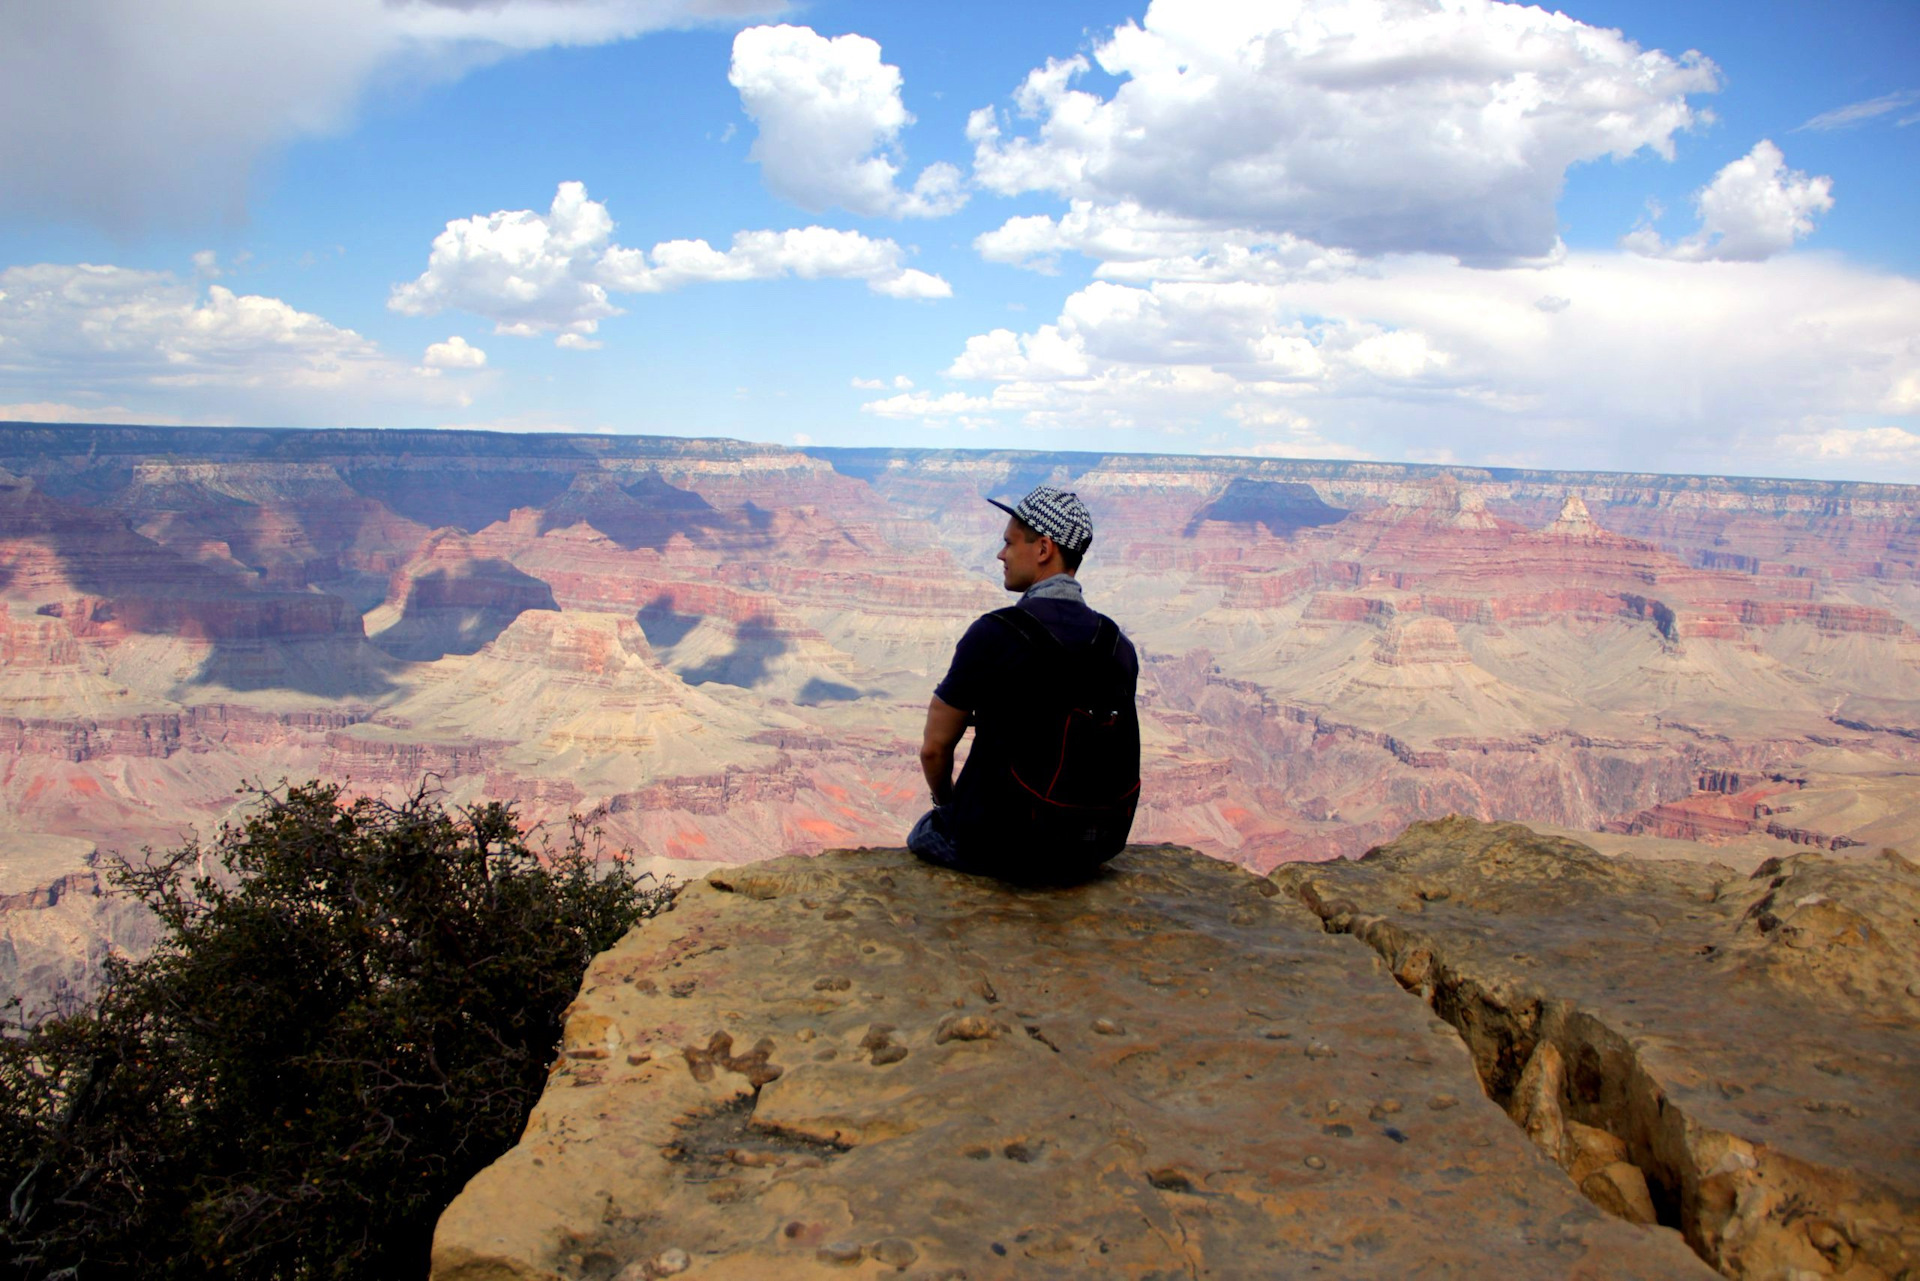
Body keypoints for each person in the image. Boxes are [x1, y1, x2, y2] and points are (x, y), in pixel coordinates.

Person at [909, 485, 1141, 883]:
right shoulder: (1117, 644)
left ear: (1043, 549)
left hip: (1002, 848)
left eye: (1009, 542)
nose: (1001, 554)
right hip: (1089, 847)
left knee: (925, 832)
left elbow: (934, 749)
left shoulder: (994, 634)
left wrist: (947, 807)